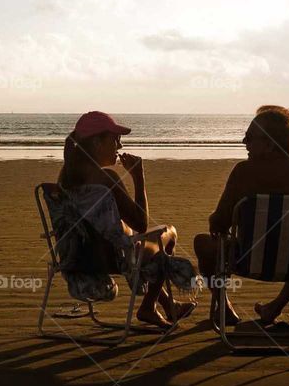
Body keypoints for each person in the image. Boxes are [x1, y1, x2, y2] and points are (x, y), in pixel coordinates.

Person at [193, 105, 289, 326]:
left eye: (249, 137)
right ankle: (276, 306)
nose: (244, 142)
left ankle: (223, 308)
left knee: (202, 243)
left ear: (270, 144)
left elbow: (219, 224)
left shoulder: (244, 173)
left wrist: (215, 221)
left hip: (249, 259)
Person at [58, 111, 196, 327]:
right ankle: (148, 307)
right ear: (96, 142)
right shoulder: (106, 179)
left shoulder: (64, 180)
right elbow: (141, 223)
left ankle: (168, 304)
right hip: (117, 259)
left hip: (78, 259)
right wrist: (138, 177)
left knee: (131, 235)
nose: (120, 146)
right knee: (168, 231)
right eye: (115, 139)